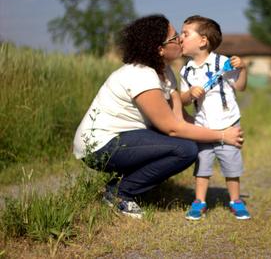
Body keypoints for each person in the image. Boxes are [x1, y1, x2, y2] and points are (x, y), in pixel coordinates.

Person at [72, 14, 244, 219]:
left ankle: (123, 185)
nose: (180, 39)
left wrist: (221, 129)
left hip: (126, 138)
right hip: (99, 145)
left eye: (181, 35)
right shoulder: (141, 74)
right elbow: (173, 128)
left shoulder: (166, 72)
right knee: (185, 149)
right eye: (174, 38)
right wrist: (222, 136)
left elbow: (181, 119)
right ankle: (120, 193)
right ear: (160, 49)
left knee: (183, 142)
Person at [179, 15, 250, 220]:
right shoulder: (186, 71)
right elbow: (182, 100)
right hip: (203, 126)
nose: (180, 38)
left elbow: (240, 87)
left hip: (228, 123)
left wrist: (242, 69)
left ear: (203, 41)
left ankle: (235, 200)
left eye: (185, 34)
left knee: (231, 164)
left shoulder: (223, 62)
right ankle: (199, 201)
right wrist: (189, 94)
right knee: (202, 165)